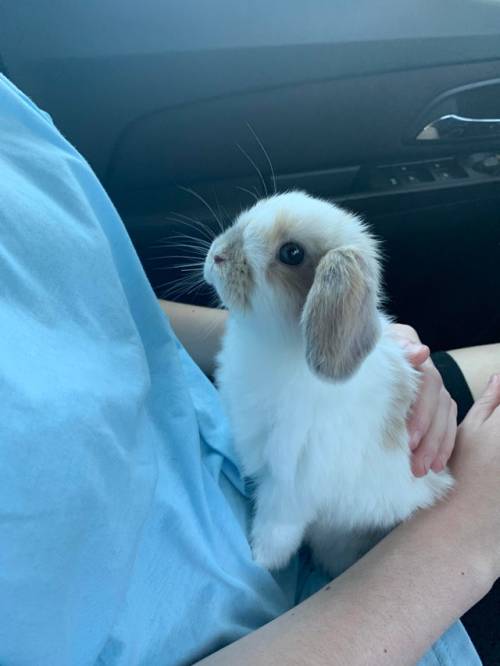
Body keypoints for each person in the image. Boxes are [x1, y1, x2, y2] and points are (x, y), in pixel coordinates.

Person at [0, 73, 498, 666]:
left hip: (337, 481)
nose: (221, 253)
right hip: (351, 602)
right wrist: (466, 536)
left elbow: (97, 309)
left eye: (289, 256)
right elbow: (297, 486)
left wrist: (362, 343)